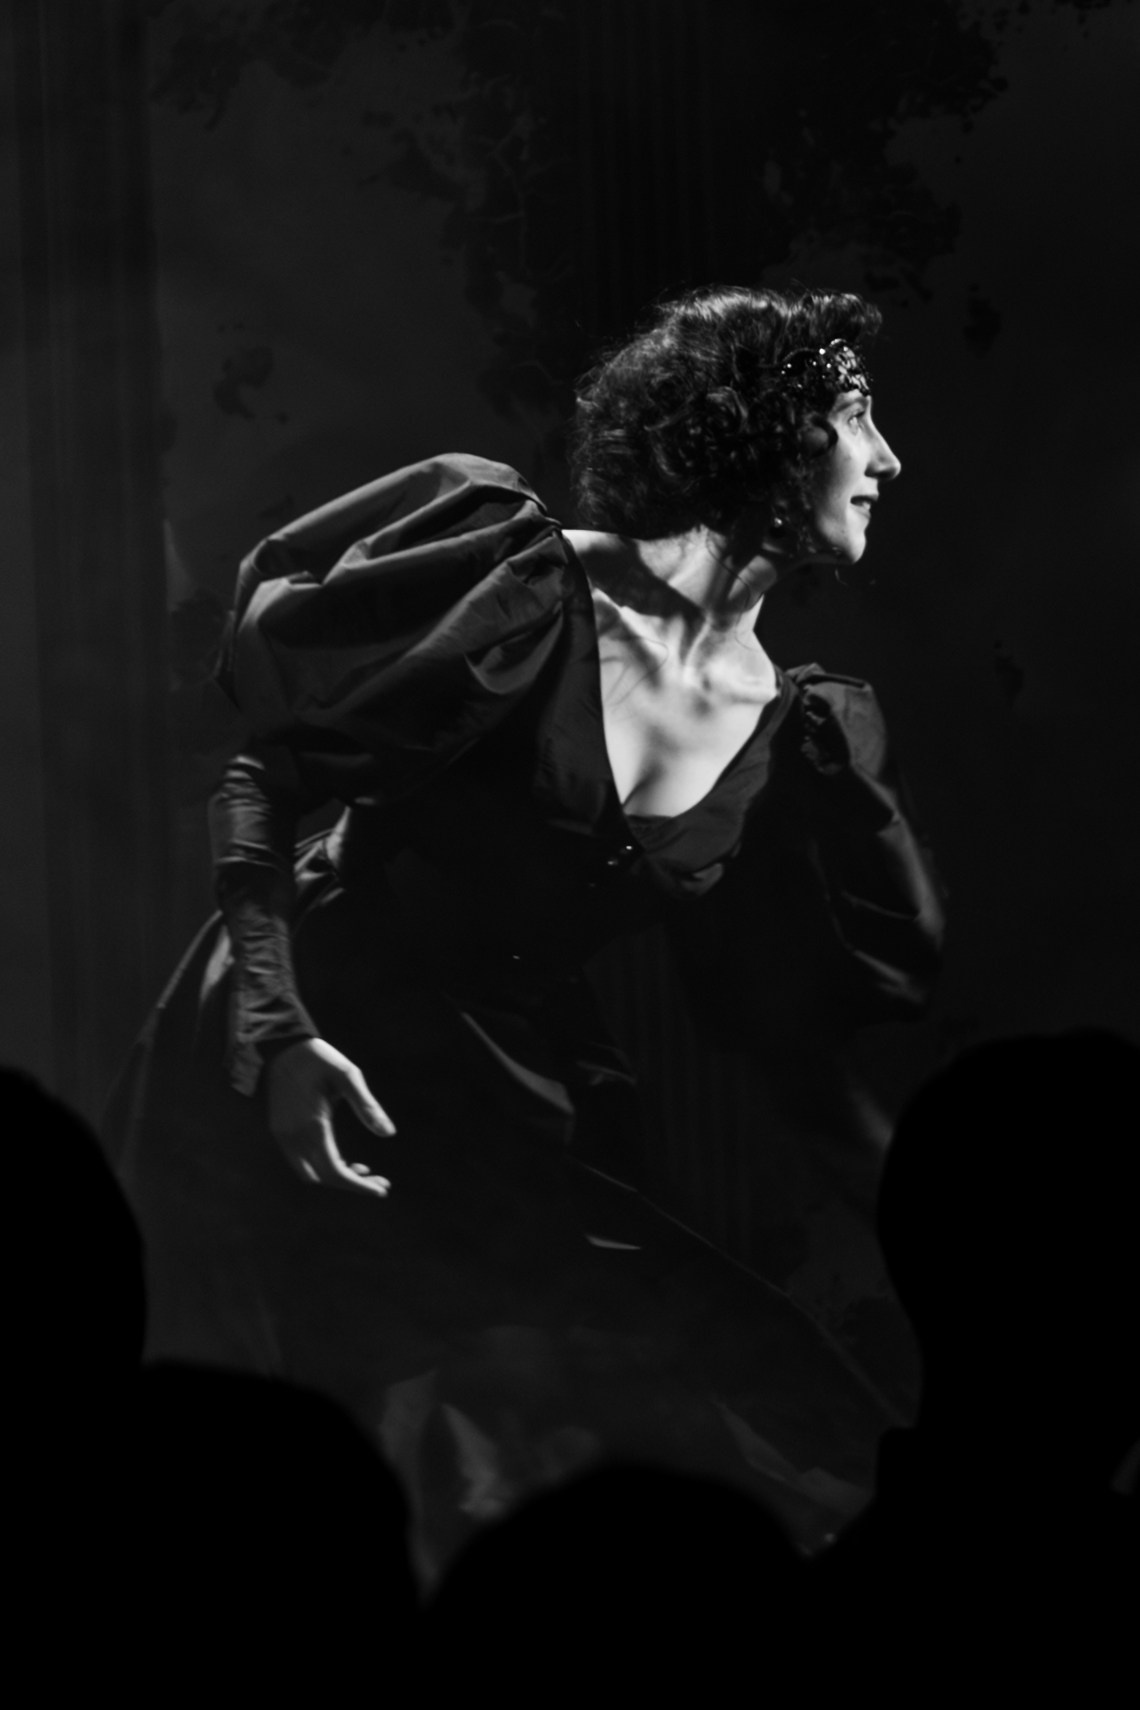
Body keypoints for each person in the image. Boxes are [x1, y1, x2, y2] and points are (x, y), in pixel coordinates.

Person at [103, 285, 945, 1580]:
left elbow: (784, 1057)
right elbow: (262, 779)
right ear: (770, 430)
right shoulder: (529, 581)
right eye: (857, 415)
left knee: (746, 1399)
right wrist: (275, 1034)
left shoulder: (799, 735)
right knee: (311, 1435)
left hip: (500, 1084)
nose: (887, 458)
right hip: (313, 1031)